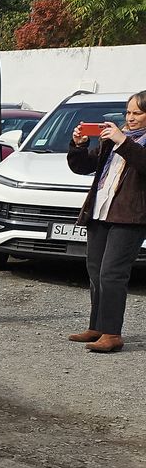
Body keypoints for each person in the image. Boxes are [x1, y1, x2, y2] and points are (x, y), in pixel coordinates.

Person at [67, 92, 146, 353]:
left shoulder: (124, 140)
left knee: (112, 273)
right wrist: (78, 145)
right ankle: (97, 327)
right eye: (128, 112)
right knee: (95, 271)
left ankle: (112, 334)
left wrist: (123, 141)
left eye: (137, 113)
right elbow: (82, 167)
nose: (131, 118)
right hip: (100, 211)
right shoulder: (113, 138)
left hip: (130, 216)